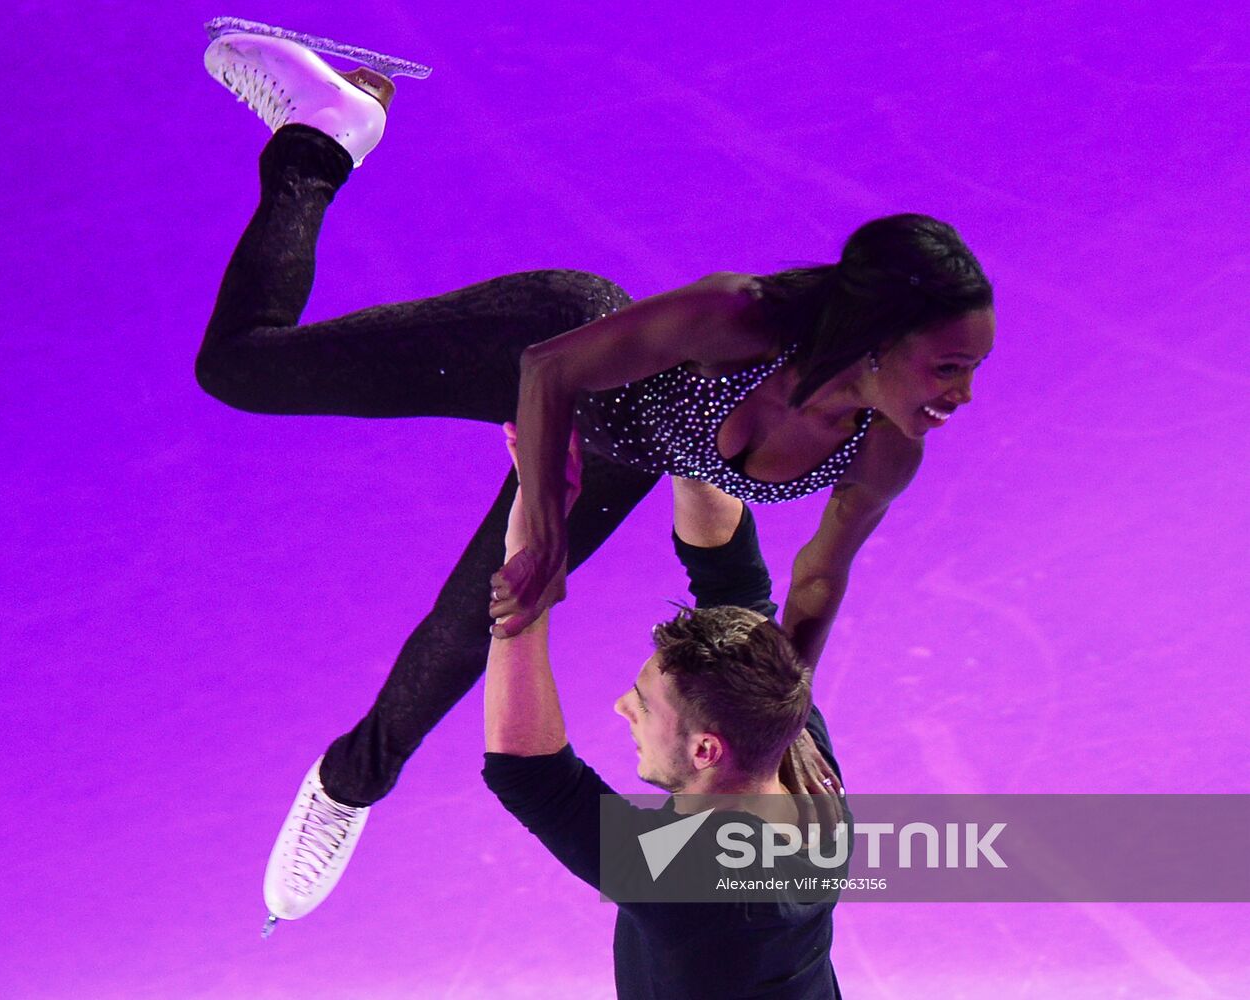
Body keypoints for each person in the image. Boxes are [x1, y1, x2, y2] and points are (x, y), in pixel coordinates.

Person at [194, 26, 993, 927]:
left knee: (474, 627)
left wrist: (781, 733)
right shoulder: (740, 317)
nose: (963, 395)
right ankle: (322, 135)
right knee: (239, 370)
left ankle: (347, 784)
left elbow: (815, 581)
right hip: (548, 350)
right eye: (948, 367)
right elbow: (549, 375)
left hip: (621, 452)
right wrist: (546, 518)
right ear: (880, 341)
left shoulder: (888, 447)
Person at [484, 423, 845, 998]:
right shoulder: (795, 751)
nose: (622, 706)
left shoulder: (700, 883)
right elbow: (735, 585)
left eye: (645, 707)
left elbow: (531, 773)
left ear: (707, 749)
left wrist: (531, 550)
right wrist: (688, 434)